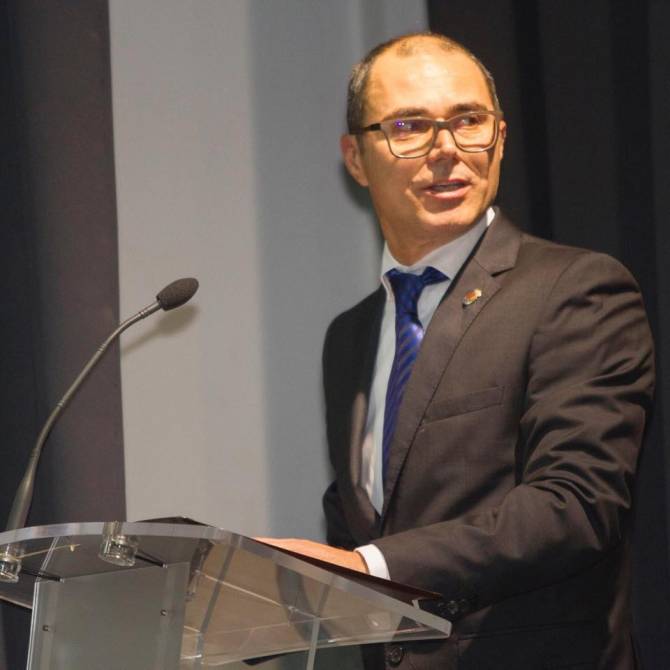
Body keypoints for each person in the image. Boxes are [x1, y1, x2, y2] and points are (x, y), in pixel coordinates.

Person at [261, 32, 654, 668]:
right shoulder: (350, 336)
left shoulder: (576, 289)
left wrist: (370, 568)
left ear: (500, 137)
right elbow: (365, 520)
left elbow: (576, 505)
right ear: (356, 158)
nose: (447, 149)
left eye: (469, 120)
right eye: (410, 126)